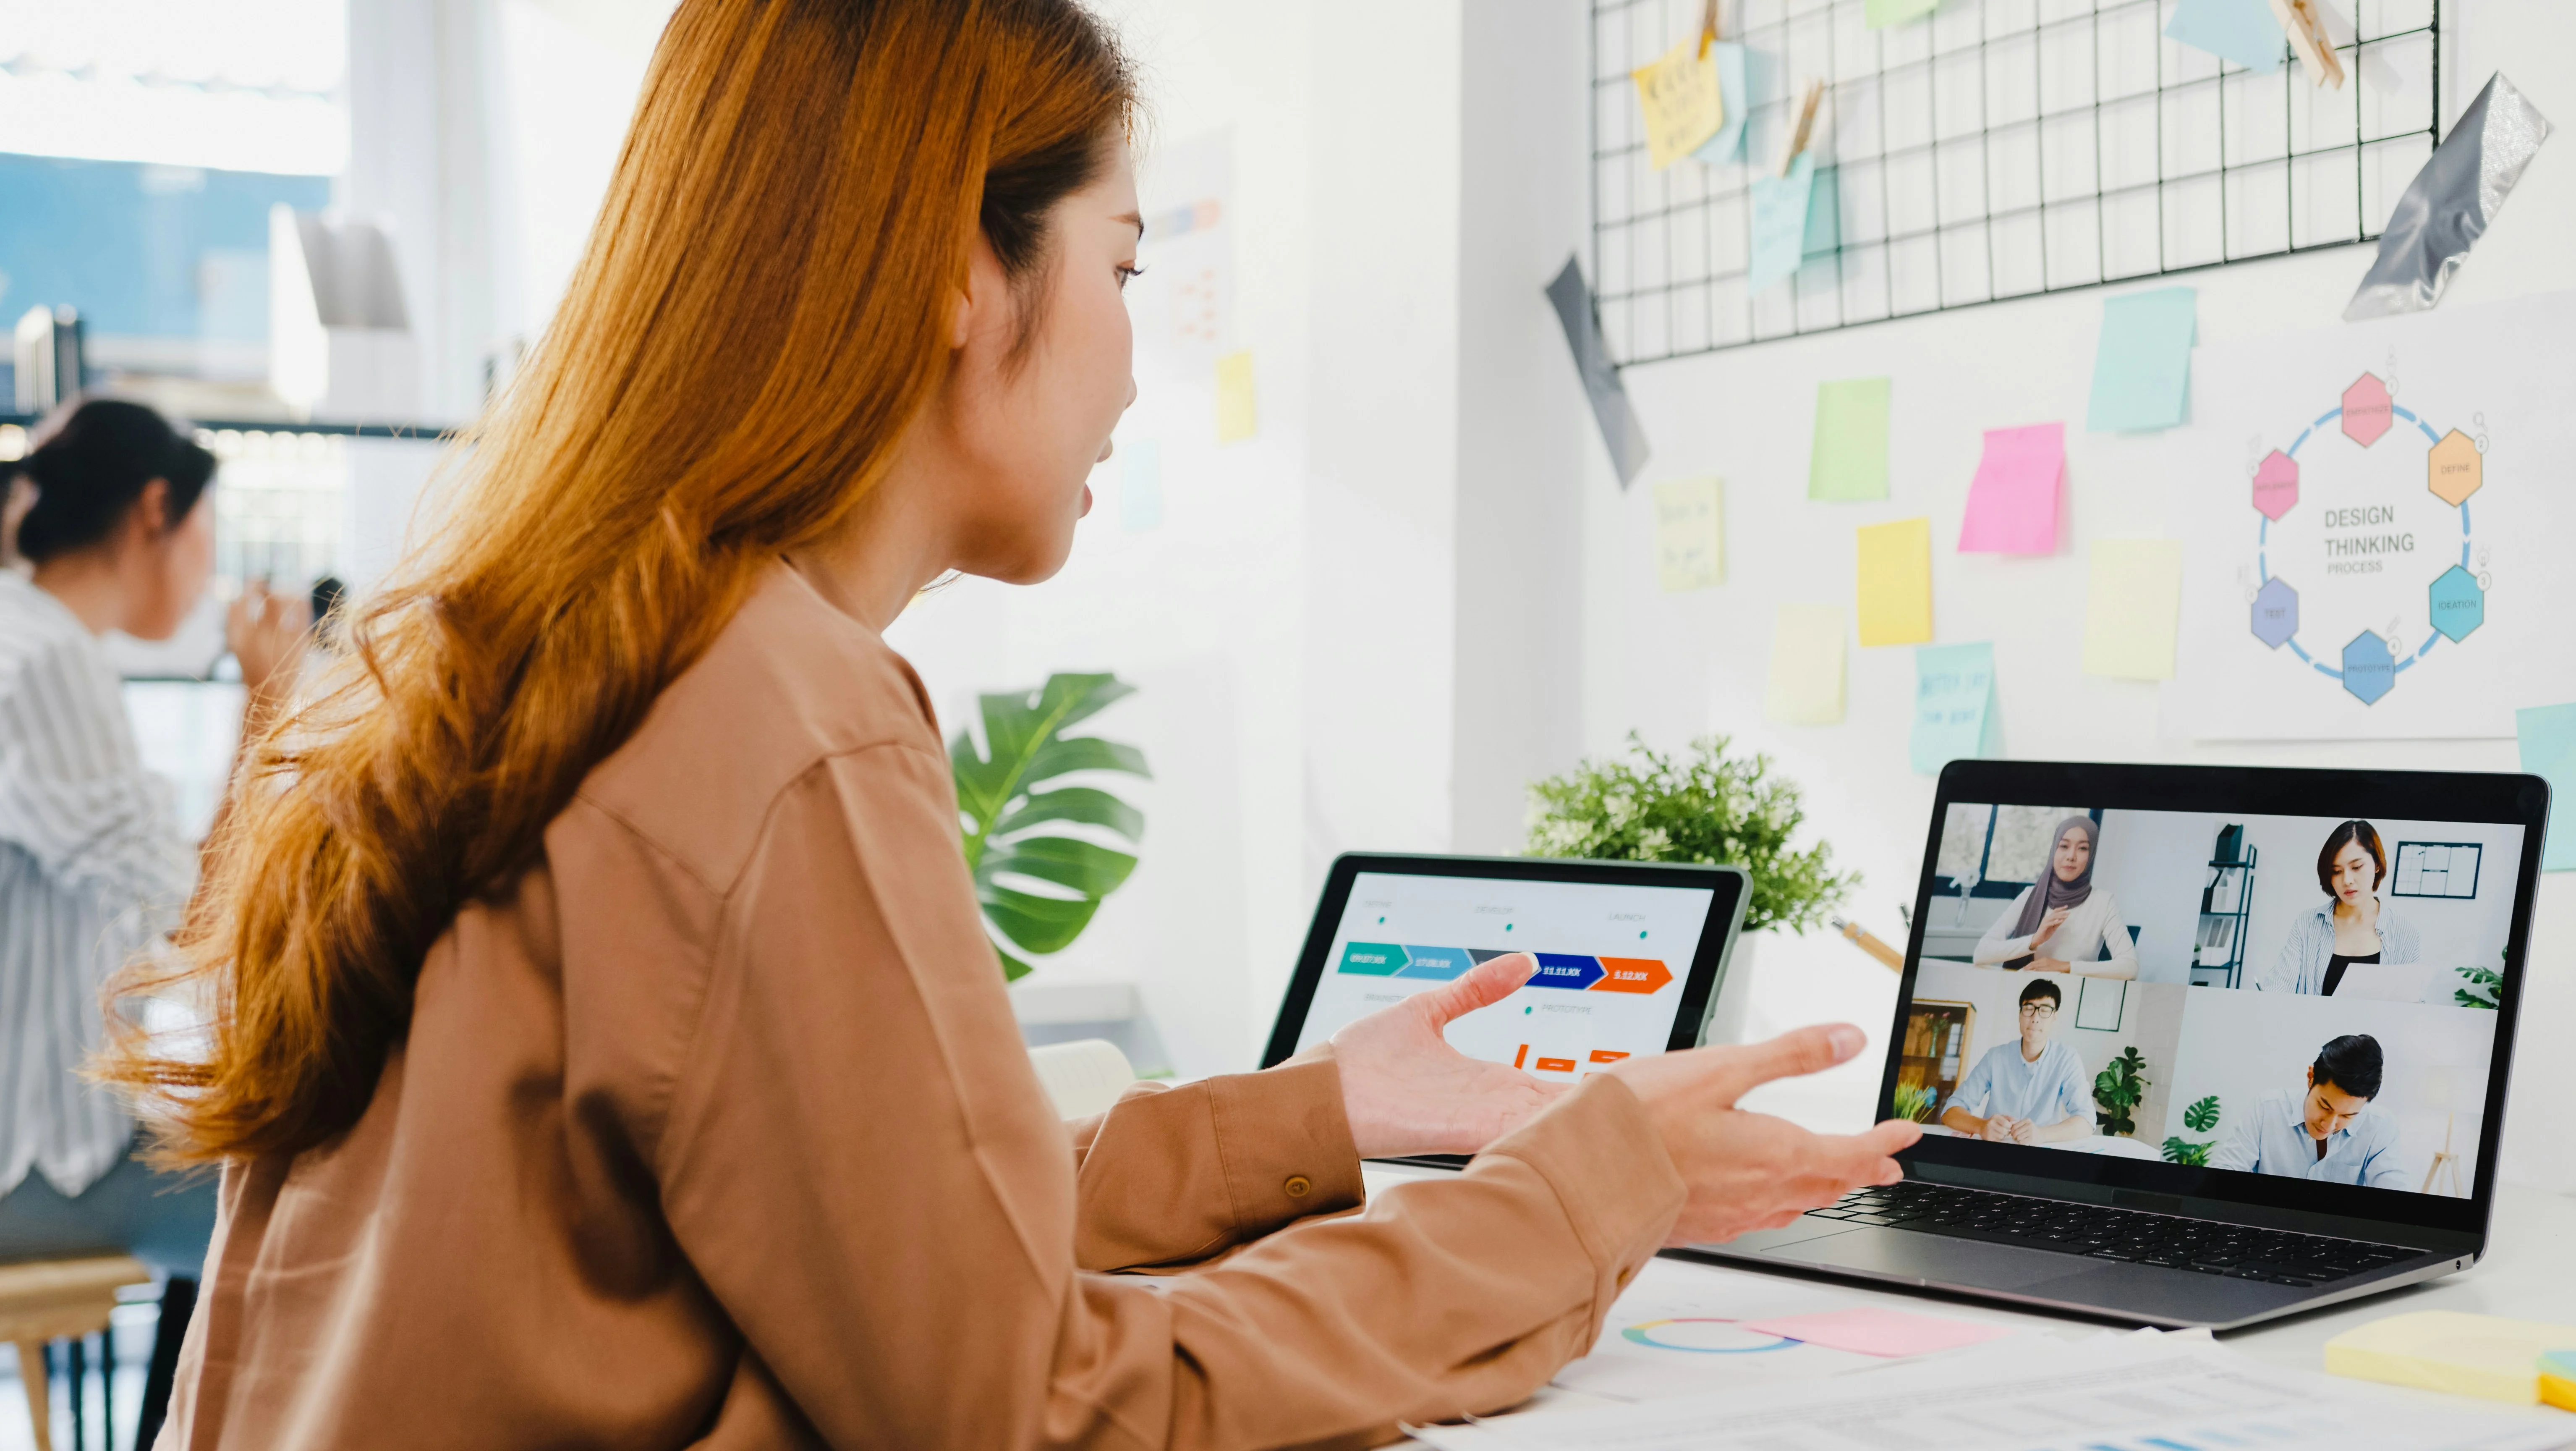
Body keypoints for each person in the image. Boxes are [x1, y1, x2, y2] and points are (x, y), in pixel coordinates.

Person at [96, 3, 1921, 1445]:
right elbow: (1030, 1403)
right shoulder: (777, 709)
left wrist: (1322, 1113)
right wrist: (1589, 1181)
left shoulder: (544, 655)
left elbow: (874, 1218)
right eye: (1121, 264)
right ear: (961, 269)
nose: (1135, 348)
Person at [0, 398, 309, 1439]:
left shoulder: (34, 638)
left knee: (251, 1162)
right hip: (35, 1167)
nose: (211, 570)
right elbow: (191, 923)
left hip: (47, 1140)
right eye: (208, 535)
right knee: (313, 1216)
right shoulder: (42, 660)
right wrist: (267, 701)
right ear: (154, 508)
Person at [2208, 1035, 2410, 1189]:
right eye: (2324, 1106)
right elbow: (2225, 1173)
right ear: (2311, 1077)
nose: (2329, 1126)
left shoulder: (2380, 1128)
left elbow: (2395, 1195)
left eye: (2347, 1116)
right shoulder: (2267, 1108)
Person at [2253, 820, 2421, 995]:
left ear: (2377, 865)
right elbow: (2279, 985)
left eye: (2356, 867)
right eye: (2336, 871)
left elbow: (2411, 1003)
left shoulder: (2404, 931)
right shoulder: (2309, 923)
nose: (2347, 880)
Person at [1972, 814, 2138, 978]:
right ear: (2054, 850)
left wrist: (2065, 967)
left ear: (2091, 854)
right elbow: (1982, 954)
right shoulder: (2030, 896)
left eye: (2083, 848)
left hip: (2073, 998)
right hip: (2021, 996)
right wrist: (2034, 941)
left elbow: (2130, 967)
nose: (2071, 856)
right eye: (2064, 846)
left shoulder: (2103, 902)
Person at [1938, 978, 2098, 1145]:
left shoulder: (2067, 1059)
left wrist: (2042, 1134)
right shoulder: (1996, 1057)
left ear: (2055, 1017)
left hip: (2041, 1150)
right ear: (2020, 1015)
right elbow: (1950, 1112)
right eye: (2029, 1009)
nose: (2035, 1018)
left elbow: (2087, 1121)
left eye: (2045, 1010)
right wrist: (1981, 1126)